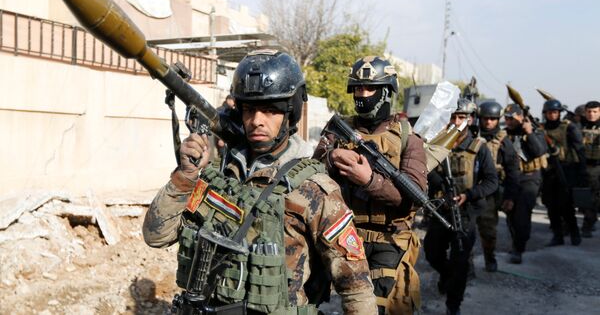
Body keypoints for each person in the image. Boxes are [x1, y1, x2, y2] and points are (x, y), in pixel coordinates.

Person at [142, 50, 377, 314]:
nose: (257, 121)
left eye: (270, 110)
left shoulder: (314, 189)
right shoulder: (217, 174)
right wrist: (185, 176)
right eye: (250, 110)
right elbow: (156, 236)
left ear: (290, 112)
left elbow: (356, 287)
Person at [313, 56, 428, 314]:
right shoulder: (337, 131)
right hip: (340, 234)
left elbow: (414, 196)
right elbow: (310, 175)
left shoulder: (409, 138)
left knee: (382, 306)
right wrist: (331, 158)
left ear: (386, 91)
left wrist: (369, 180)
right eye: (357, 88)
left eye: (369, 88)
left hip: (388, 240)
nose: (361, 94)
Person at [424, 98, 498, 315]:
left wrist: (469, 195)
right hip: (441, 210)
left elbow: (491, 181)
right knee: (432, 253)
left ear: (470, 119)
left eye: (461, 117)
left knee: (461, 262)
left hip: (465, 213)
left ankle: (453, 305)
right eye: (453, 117)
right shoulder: (437, 144)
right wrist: (440, 186)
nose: (456, 121)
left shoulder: (478, 147)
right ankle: (447, 276)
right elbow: (425, 171)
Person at [475, 101, 520, 271]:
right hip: (470, 189)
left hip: (490, 192)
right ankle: (466, 263)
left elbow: (513, 170)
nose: (488, 122)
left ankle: (489, 257)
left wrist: (510, 196)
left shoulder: (503, 141)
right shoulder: (471, 136)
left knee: (488, 229)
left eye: (493, 119)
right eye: (485, 119)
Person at [503, 104, 548, 263]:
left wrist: (529, 132)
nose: (508, 121)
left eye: (512, 118)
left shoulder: (534, 131)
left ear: (521, 117)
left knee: (522, 215)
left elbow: (539, 151)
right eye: (506, 118)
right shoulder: (505, 134)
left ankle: (518, 248)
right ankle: (516, 241)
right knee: (511, 214)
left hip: (529, 178)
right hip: (511, 178)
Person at [541, 99, 586, 246]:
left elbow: (580, 150)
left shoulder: (569, 127)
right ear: (545, 113)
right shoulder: (541, 129)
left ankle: (574, 232)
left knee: (566, 205)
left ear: (559, 113)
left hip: (566, 170)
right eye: (549, 113)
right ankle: (557, 235)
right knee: (551, 206)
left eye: (555, 112)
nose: (552, 115)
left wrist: (581, 173)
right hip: (548, 171)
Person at [581, 100, 600, 237]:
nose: (591, 114)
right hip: (582, 166)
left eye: (595, 112)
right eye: (589, 111)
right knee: (584, 196)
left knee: (593, 197)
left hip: (597, 166)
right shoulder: (579, 126)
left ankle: (589, 223)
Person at [214, 94, 236, 159]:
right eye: (233, 100)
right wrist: (220, 139)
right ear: (228, 100)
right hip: (222, 139)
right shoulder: (222, 110)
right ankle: (216, 168)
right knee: (221, 157)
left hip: (228, 140)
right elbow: (217, 126)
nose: (234, 102)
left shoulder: (229, 110)